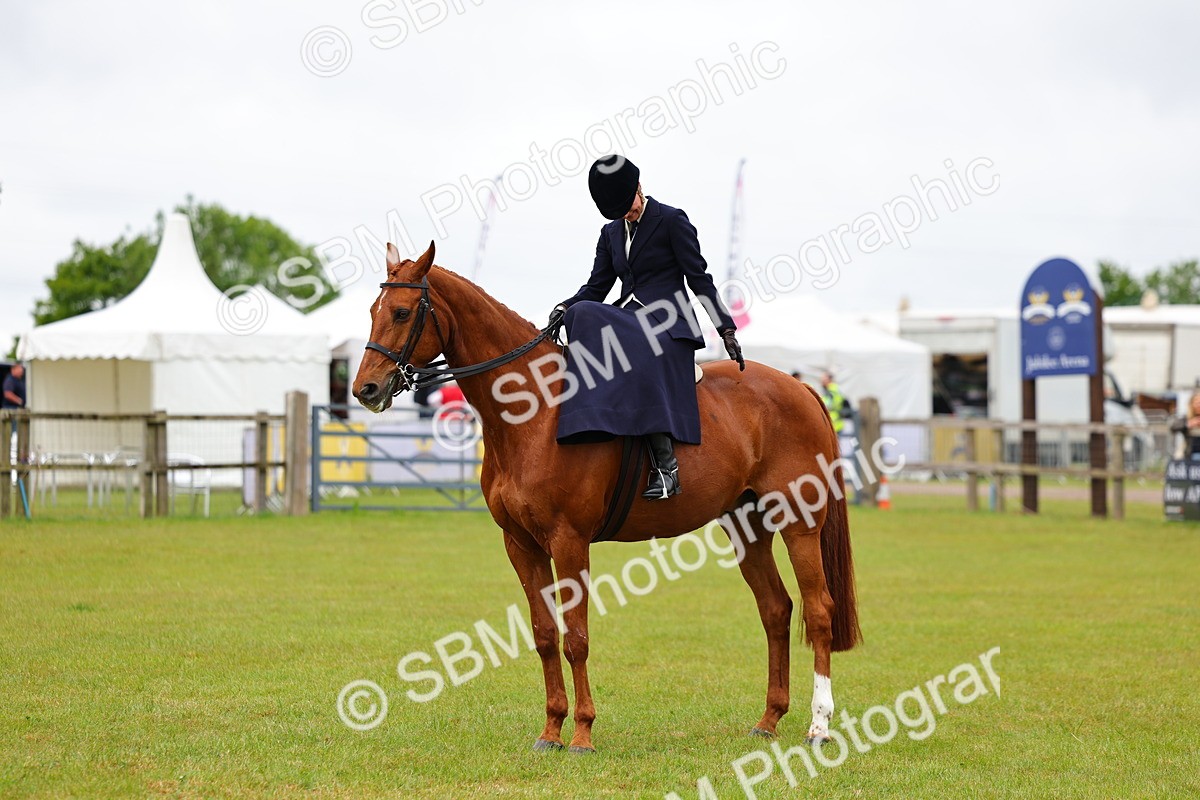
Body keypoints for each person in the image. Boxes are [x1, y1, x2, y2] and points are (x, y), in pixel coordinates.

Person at [549, 155, 744, 500]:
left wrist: (724, 328)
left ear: (639, 187)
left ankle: (667, 467)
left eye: (630, 206)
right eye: (620, 211)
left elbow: (699, 279)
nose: (628, 213)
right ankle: (591, 424)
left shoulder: (671, 220)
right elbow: (597, 287)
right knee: (582, 313)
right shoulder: (610, 233)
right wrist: (564, 306)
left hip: (669, 324)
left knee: (624, 336)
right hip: (629, 318)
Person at [820, 371, 847, 436]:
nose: (821, 381)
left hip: (833, 422)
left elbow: (828, 404)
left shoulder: (831, 390)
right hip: (836, 422)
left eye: (824, 379)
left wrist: (819, 401)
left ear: (829, 379)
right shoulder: (835, 389)